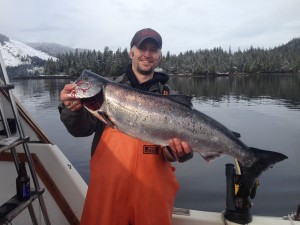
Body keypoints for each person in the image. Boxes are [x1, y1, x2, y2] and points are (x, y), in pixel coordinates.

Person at [59, 28, 193, 225]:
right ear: (131, 52)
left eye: (153, 50)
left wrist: (179, 153)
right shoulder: (106, 93)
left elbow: (185, 152)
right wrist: (72, 109)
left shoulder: (172, 100)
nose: (147, 54)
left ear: (159, 56)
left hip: (152, 199)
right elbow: (80, 129)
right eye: (142, 48)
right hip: (107, 195)